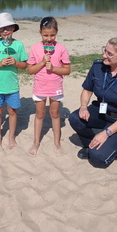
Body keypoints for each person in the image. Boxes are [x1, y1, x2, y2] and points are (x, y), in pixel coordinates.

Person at [68, 33, 117, 168]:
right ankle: (89, 144)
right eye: (104, 50)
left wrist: (106, 133)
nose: (104, 56)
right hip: (101, 112)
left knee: (98, 159)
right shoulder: (98, 66)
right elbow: (87, 90)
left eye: (109, 54)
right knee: (75, 118)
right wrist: (84, 106)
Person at [27, 17, 71, 156]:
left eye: (52, 35)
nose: (49, 38)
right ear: (40, 32)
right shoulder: (35, 48)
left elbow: (67, 70)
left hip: (55, 87)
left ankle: (57, 141)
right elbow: (30, 70)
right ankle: (36, 142)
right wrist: (41, 62)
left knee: (55, 114)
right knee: (40, 115)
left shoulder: (61, 49)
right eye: (45, 35)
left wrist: (53, 68)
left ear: (56, 33)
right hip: (40, 87)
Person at [0, 12, 28, 149]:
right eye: (2, 29)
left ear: (14, 28)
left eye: (8, 28)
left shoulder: (18, 45)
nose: (6, 31)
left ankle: (11, 137)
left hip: (12, 87)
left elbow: (25, 65)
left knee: (12, 111)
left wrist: (15, 62)